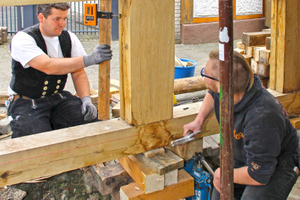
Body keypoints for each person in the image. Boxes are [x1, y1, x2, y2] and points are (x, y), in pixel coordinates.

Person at [183, 49, 299, 199]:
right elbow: (212, 93)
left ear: (222, 87)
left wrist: (221, 173)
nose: (203, 73)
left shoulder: (261, 118)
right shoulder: (234, 85)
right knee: (219, 195)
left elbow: (259, 174)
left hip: (276, 162)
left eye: (204, 73)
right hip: (246, 154)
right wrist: (199, 121)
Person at [7, 3, 112, 138]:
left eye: (65, 18)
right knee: (36, 143)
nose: (62, 23)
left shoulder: (69, 38)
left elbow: (78, 72)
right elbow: (48, 66)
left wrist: (86, 99)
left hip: (57, 97)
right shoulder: (23, 38)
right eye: (56, 19)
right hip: (27, 102)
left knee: (91, 127)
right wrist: (89, 59)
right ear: (41, 17)